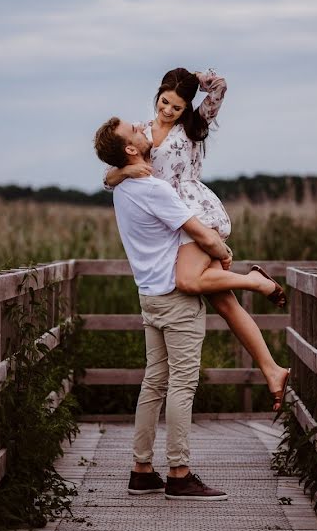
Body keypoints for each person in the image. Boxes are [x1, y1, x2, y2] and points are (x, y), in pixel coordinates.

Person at [104, 67, 290, 410]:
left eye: (176, 106)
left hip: (198, 215)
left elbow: (220, 88)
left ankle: (255, 281)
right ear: (157, 95)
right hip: (173, 224)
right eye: (165, 102)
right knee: (224, 303)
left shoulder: (192, 126)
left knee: (188, 281)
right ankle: (272, 369)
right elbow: (109, 175)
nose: (168, 111)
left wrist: (200, 79)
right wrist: (128, 170)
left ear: (186, 107)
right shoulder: (141, 132)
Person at [94, 115, 229, 500]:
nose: (142, 125)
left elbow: (113, 175)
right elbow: (200, 231)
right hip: (174, 295)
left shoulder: (123, 189)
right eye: (134, 131)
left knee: (154, 382)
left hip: (149, 295)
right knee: (182, 384)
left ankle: (142, 469)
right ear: (131, 150)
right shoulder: (152, 189)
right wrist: (224, 252)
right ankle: (179, 473)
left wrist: (120, 173)